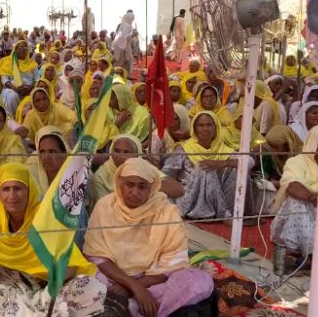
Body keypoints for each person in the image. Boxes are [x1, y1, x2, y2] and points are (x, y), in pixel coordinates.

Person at [0, 163, 105, 316]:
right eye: (6, 189)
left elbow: (70, 266)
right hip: (13, 292)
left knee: (92, 288)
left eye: (18, 188)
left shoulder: (45, 218)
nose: (12, 196)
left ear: (29, 191)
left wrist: (47, 292)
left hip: (49, 290)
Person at [85, 158, 215, 317]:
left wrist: (135, 288)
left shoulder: (166, 211)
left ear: (153, 187)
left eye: (142, 186)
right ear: (119, 183)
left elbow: (171, 262)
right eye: (129, 184)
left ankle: (128, 307)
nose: (134, 192)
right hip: (113, 278)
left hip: (153, 281)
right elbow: (98, 257)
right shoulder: (105, 206)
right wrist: (134, 287)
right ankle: (139, 308)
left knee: (199, 281)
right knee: (87, 282)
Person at [163, 111, 247, 220]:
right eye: (201, 125)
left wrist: (222, 163)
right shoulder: (183, 149)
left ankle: (227, 210)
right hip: (189, 196)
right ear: (195, 128)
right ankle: (222, 214)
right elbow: (166, 174)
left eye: (209, 125)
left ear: (215, 127)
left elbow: (248, 161)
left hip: (218, 196)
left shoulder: (222, 147)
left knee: (239, 168)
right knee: (204, 168)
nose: (205, 129)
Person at [90, 135, 184, 213]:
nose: (121, 156)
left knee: (164, 200)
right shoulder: (102, 175)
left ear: (137, 155)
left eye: (127, 152)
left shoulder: (144, 168)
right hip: (117, 220)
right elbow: (104, 210)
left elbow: (178, 190)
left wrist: (144, 183)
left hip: (146, 215)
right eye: (117, 151)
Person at [271, 126, 318, 261]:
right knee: (297, 200)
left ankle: (315, 254)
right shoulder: (297, 161)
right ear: (312, 143)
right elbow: (292, 186)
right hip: (295, 219)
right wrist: (314, 198)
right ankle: (308, 252)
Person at [0, 40, 39, 117]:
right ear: (15, 49)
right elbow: (4, 79)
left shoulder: (33, 64)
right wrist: (16, 88)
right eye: (20, 47)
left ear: (28, 50)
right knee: (11, 96)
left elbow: (37, 80)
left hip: (29, 89)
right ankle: (10, 118)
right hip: (11, 88)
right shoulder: (8, 62)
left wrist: (30, 88)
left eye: (25, 47)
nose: (23, 49)